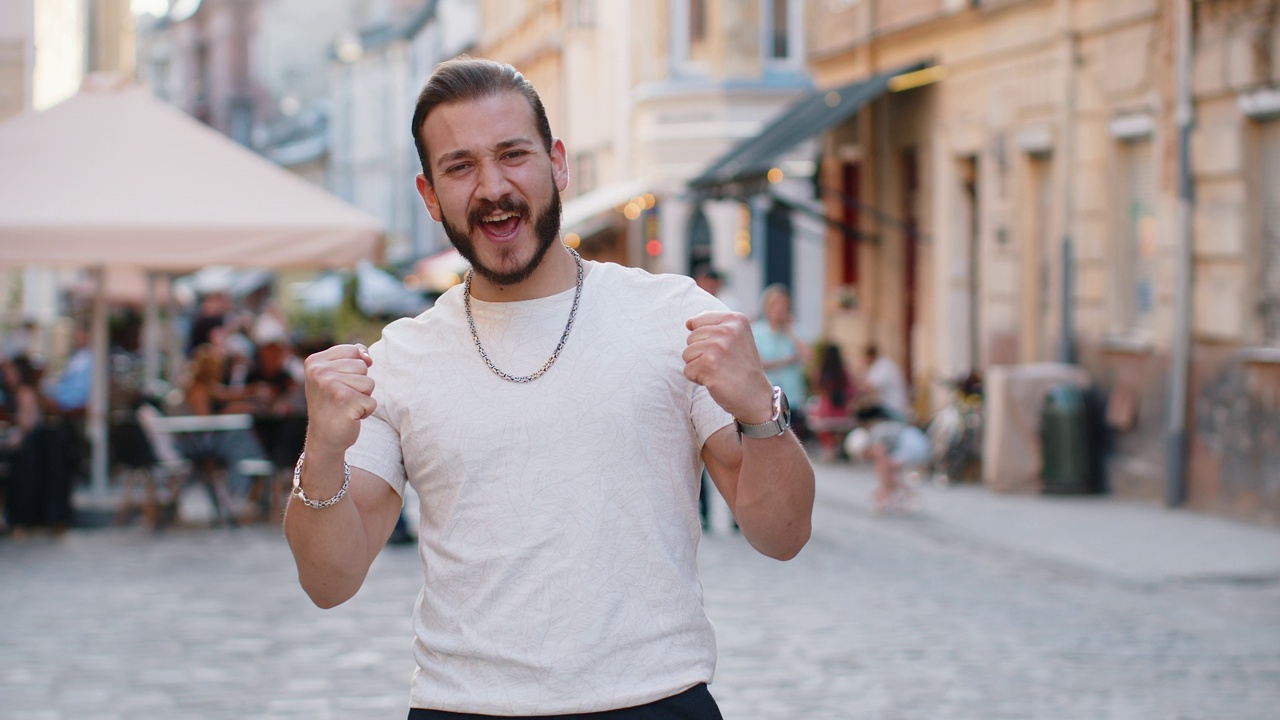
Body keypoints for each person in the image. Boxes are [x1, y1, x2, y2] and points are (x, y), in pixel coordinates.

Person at [284, 56, 815, 719]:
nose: (492, 186)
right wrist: (324, 451)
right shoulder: (402, 358)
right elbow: (330, 581)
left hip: (653, 700)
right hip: (465, 707)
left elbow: (783, 533)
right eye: (460, 167)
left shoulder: (673, 316)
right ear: (429, 196)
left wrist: (761, 411)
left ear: (558, 164)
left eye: (513, 155)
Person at [751, 283, 811, 439]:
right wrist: (787, 361)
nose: (779, 310)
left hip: (792, 397)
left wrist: (790, 330)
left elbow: (808, 356)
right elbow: (756, 363)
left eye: (784, 305)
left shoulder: (796, 331)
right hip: (766, 396)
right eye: (775, 305)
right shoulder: (757, 332)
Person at [846, 406, 929, 512]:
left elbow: (882, 467)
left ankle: (908, 496)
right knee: (892, 470)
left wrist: (882, 489)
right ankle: (901, 495)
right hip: (916, 440)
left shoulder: (875, 440)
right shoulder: (876, 434)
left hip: (912, 444)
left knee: (889, 469)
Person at [807, 342, 854, 463]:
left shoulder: (822, 371)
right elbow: (851, 389)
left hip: (826, 409)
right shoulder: (843, 371)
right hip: (841, 409)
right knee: (838, 428)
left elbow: (814, 385)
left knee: (821, 425)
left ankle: (829, 450)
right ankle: (837, 448)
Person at [862, 343, 911, 421]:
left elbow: (869, 386)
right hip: (893, 405)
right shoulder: (885, 364)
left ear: (870, 356)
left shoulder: (881, 366)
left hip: (893, 407)